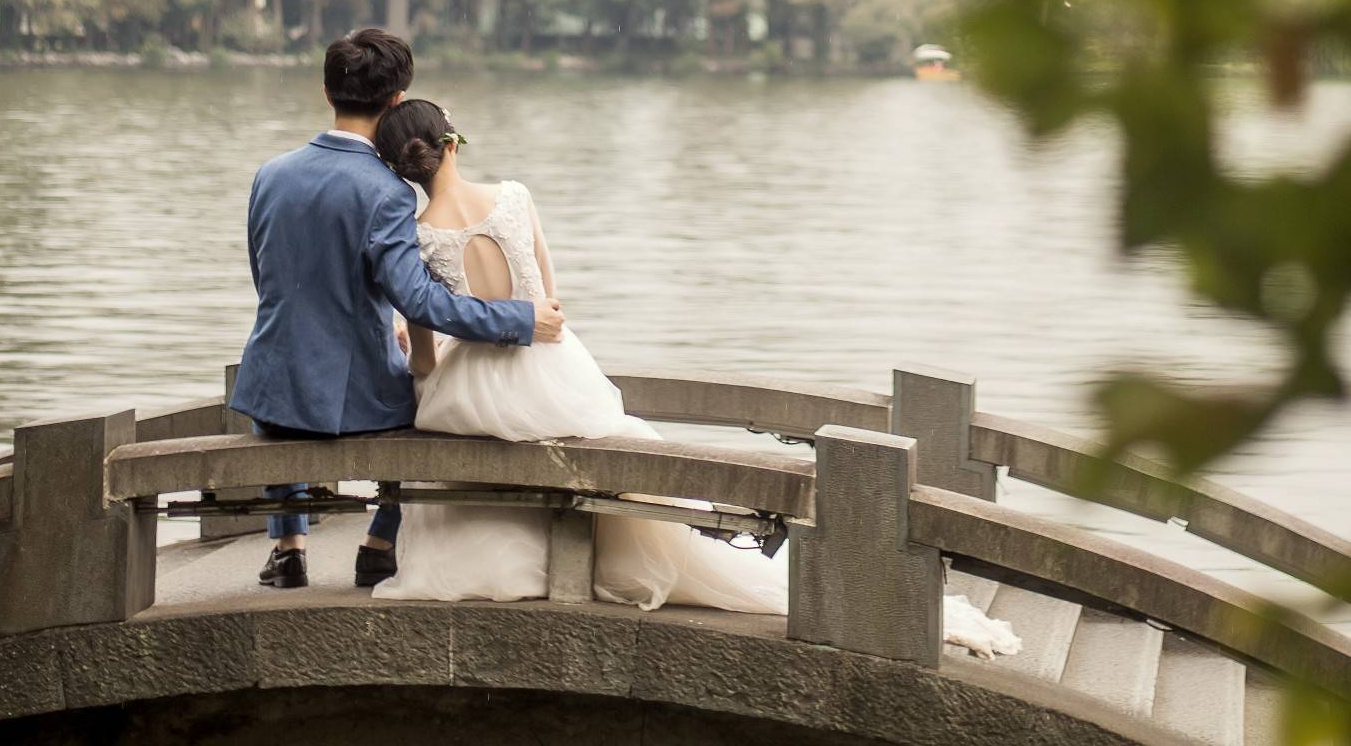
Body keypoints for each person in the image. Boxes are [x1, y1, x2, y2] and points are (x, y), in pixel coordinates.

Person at [369, 97, 1022, 658]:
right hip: (549, 361)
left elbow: (425, 359)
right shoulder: (514, 198)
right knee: (596, 439)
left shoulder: (421, 236)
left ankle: (508, 562)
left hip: (474, 381)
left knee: (452, 436)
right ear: (453, 142)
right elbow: (553, 301)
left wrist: (428, 354)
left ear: (404, 168)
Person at [230, 29, 566, 591]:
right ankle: (378, 543)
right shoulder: (388, 191)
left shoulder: (270, 174)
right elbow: (419, 301)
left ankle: (289, 548)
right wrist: (520, 320)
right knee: (423, 394)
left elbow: (267, 279)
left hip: (271, 392)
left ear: (325, 93)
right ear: (395, 102)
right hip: (356, 405)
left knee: (293, 367)